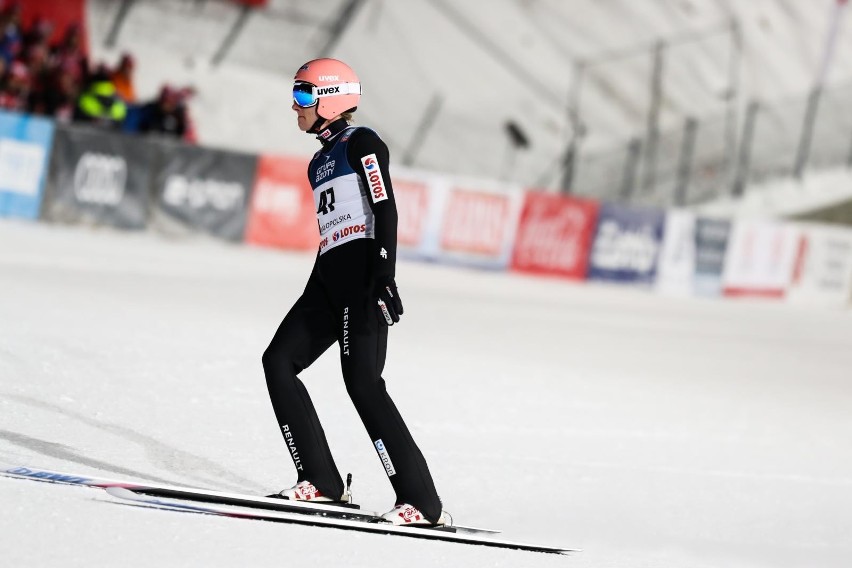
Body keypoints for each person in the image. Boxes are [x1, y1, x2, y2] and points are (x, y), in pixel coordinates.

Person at [261, 58, 445, 527]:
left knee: (363, 383)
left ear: (330, 98)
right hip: (328, 274)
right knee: (278, 361)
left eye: (304, 94)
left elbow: (384, 207)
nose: (296, 105)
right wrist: (318, 280)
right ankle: (320, 481)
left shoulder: (362, 142)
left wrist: (384, 273)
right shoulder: (318, 160)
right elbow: (334, 227)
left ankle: (421, 503)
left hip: (363, 274)